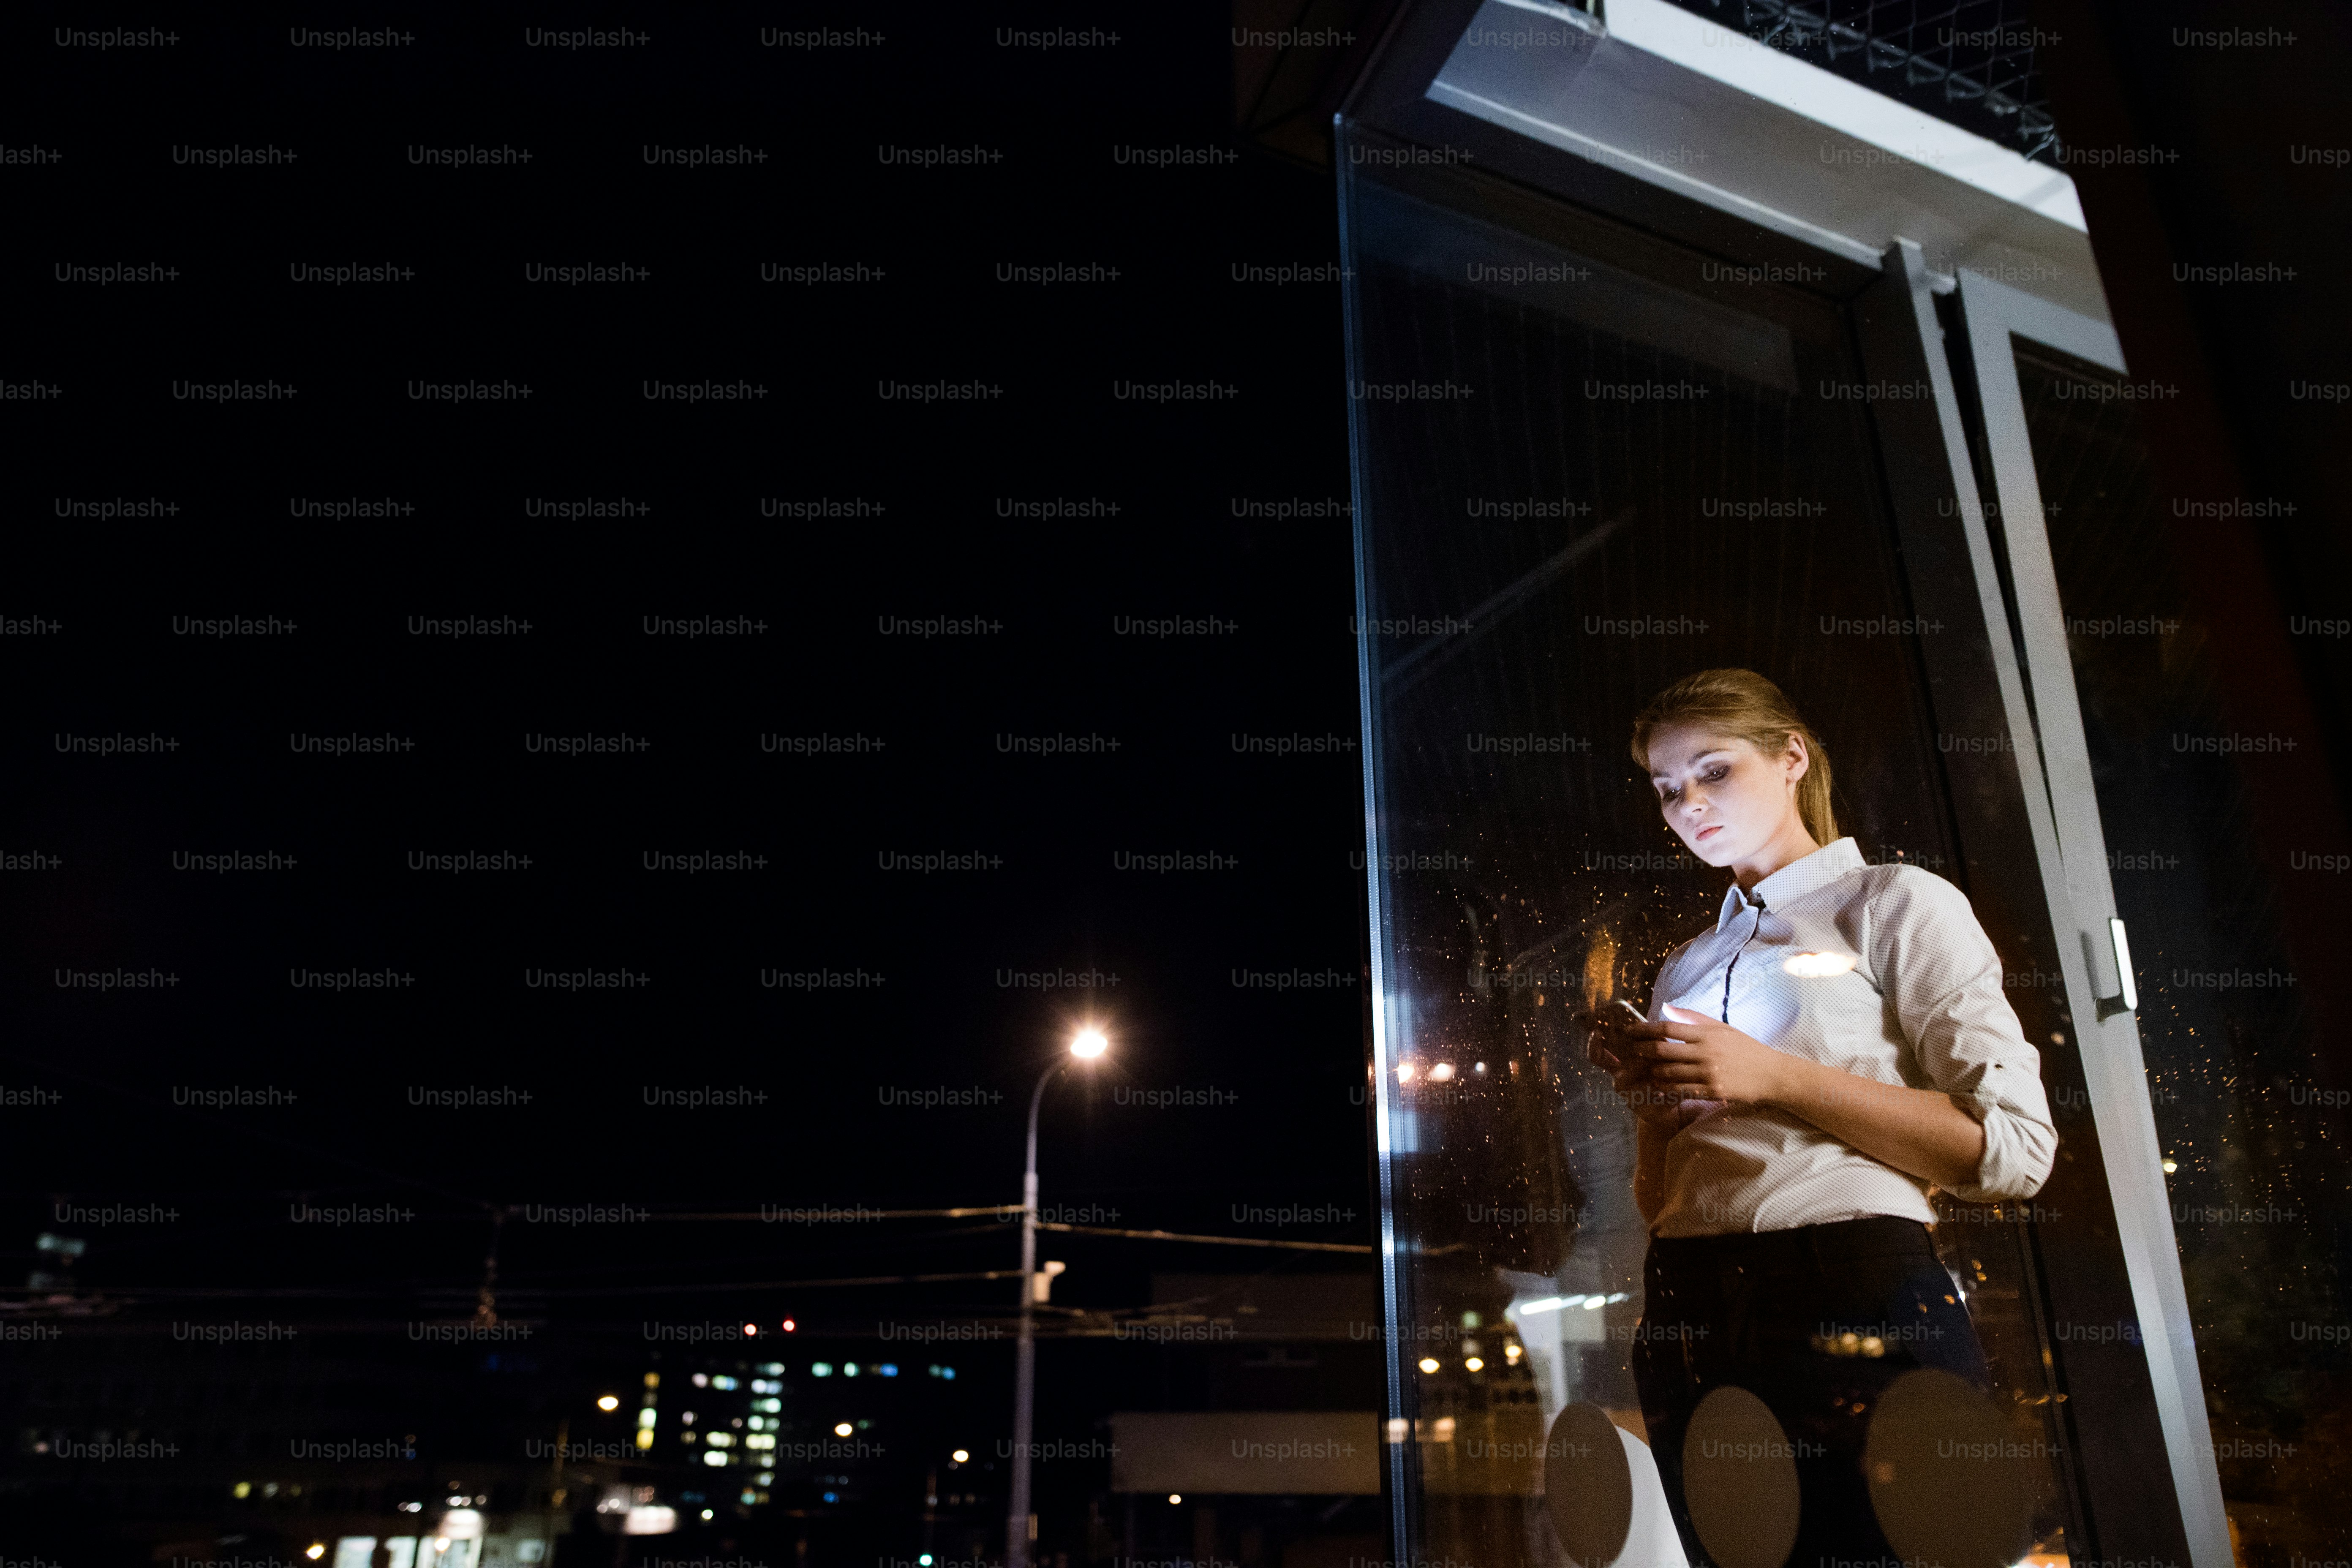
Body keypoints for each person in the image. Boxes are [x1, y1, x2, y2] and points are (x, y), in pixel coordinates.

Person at [1585, 667, 2058, 1567]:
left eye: (1713, 770)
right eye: (1666, 787)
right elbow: (1660, 1202)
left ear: (1792, 755)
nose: (1689, 803)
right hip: (1687, 1297)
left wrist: (1774, 1075)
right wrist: (1655, 1110)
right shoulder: (1684, 965)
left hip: (1850, 1286)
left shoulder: (1895, 902)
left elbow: (2014, 1153)